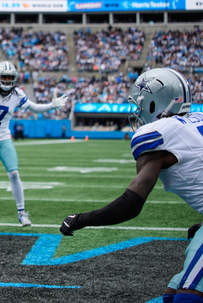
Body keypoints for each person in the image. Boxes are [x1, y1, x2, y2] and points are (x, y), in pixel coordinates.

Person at [59, 68, 202, 303]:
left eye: (140, 104)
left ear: (155, 104)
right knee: (170, 295)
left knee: (187, 298)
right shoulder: (196, 121)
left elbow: (131, 204)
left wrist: (81, 219)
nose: (137, 110)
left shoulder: (159, 134)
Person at [0, 61, 67, 231]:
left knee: (14, 173)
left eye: (10, 78)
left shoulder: (17, 94)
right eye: (4, 77)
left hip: (3, 138)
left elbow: (35, 108)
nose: (7, 81)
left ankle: (22, 213)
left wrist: (52, 105)